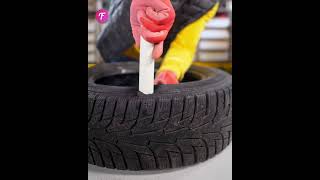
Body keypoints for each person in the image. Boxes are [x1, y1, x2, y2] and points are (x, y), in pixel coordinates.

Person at [97, 0, 221, 84]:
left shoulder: (207, 3)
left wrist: (170, 72)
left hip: (154, 58)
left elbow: (184, 45)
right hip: (118, 50)